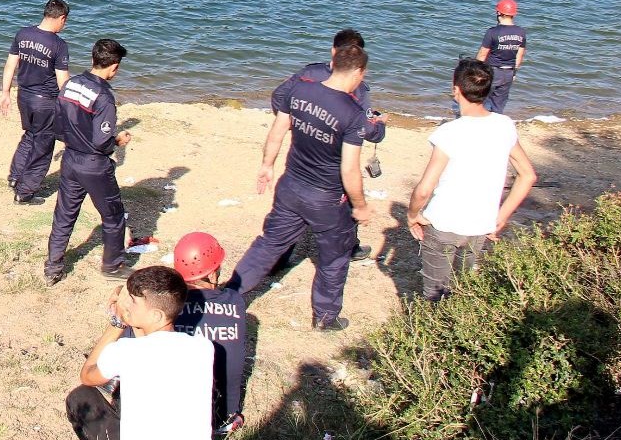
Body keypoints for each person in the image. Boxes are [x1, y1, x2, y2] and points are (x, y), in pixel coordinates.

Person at [229, 43, 373, 331]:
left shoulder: (301, 90)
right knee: (334, 258)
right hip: (327, 199)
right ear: (358, 72)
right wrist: (360, 206)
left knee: (269, 244)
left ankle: (229, 295)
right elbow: (349, 169)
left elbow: (278, 131)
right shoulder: (352, 113)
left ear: (333, 64)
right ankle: (325, 317)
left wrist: (267, 165)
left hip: (291, 185)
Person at [65, 267, 218, 440]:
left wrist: (117, 322)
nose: (127, 306)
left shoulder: (126, 351)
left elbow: (88, 375)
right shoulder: (202, 347)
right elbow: (151, 342)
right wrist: (134, 315)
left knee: (80, 397)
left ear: (156, 315)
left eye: (133, 303)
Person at [407, 59, 538, 301]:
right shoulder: (504, 125)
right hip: (480, 225)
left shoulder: (449, 132)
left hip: (444, 223)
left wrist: (413, 215)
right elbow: (528, 175)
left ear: (455, 89)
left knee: (434, 294)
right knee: (463, 288)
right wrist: (500, 217)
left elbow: (424, 189)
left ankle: (431, 334)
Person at [272, 29, 386, 262]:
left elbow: (279, 96)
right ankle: (350, 247)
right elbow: (366, 127)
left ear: (333, 50)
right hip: (333, 157)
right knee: (346, 193)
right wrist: (380, 127)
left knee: (293, 202)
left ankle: (281, 256)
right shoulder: (358, 87)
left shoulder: (308, 72)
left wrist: (296, 122)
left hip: (302, 151)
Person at [44, 39, 132, 286]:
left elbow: (58, 124)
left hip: (70, 159)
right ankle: (112, 267)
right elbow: (102, 141)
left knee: (64, 214)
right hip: (94, 164)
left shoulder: (70, 84)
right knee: (113, 215)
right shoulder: (104, 97)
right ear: (113, 67)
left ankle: (53, 267)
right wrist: (117, 141)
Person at [170, 232, 248, 435]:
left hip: (180, 416)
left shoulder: (169, 307)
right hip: (225, 416)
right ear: (212, 275)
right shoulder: (235, 301)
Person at [0, 0, 71, 205]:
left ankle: (15, 177)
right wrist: (69, 105)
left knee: (30, 135)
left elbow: (10, 64)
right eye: (65, 22)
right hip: (45, 101)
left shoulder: (23, 34)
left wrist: (5, 93)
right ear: (61, 18)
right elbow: (62, 80)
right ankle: (25, 192)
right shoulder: (58, 45)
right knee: (43, 145)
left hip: (24, 96)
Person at [474, 0, 526, 115]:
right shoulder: (521, 32)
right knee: (499, 106)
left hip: (492, 71)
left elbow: (482, 54)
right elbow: (520, 54)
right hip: (509, 73)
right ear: (513, 14)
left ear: (498, 13)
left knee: (481, 101)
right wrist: (514, 72)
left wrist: (475, 71)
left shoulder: (492, 32)